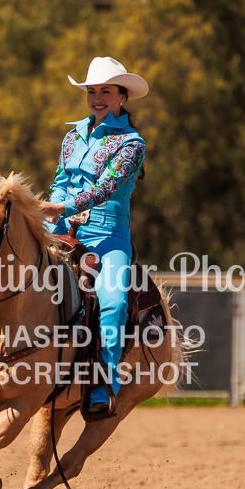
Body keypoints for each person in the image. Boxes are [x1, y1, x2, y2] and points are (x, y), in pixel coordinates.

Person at [40, 57, 148, 421]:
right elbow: (61, 181)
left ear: (122, 97)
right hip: (61, 227)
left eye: (106, 91)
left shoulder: (131, 143)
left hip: (108, 235)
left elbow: (105, 189)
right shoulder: (72, 136)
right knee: (5, 263)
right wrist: (51, 209)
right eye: (92, 91)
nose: (97, 98)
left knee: (113, 303)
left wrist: (60, 206)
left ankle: (104, 384)